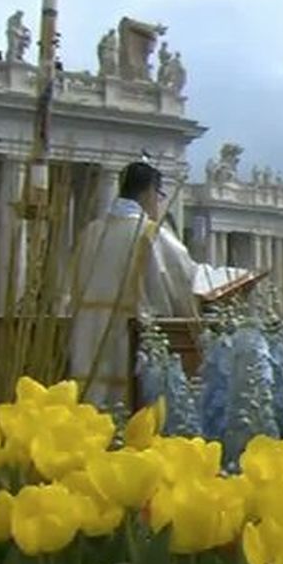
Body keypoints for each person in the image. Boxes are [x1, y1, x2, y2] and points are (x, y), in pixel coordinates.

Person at [67, 162, 197, 407]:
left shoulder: (92, 233)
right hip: (131, 344)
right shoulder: (150, 234)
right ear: (149, 191)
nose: (159, 203)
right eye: (159, 196)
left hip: (87, 340)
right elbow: (183, 279)